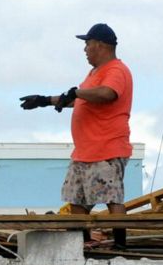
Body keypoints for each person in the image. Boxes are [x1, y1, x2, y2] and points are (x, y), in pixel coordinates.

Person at [19, 23, 133, 217]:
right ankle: (81, 235)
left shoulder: (116, 70)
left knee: (112, 198)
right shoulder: (94, 73)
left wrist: (76, 92)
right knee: (76, 201)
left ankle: (120, 237)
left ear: (100, 45)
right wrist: (44, 100)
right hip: (84, 153)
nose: (85, 49)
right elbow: (80, 99)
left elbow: (107, 93)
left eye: (87, 44)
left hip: (106, 150)